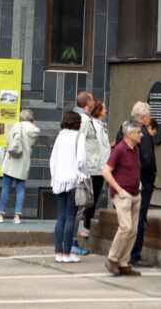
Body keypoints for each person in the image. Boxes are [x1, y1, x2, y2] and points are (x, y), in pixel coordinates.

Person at [115, 101, 155, 268]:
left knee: (126, 221)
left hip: (124, 181)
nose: (151, 118)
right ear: (144, 117)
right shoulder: (141, 132)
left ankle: (122, 254)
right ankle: (134, 255)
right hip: (139, 183)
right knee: (136, 218)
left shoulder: (122, 129)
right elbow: (146, 159)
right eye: (150, 115)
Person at [103, 119, 143, 277]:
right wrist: (119, 190)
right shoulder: (119, 150)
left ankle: (123, 263)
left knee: (133, 230)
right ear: (130, 134)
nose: (142, 135)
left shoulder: (136, 150)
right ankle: (112, 259)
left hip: (135, 194)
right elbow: (106, 172)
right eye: (139, 132)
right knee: (125, 227)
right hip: (123, 195)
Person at [49, 110, 86, 263]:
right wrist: (83, 174)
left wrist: (55, 176)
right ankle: (66, 253)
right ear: (77, 123)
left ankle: (58, 252)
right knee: (71, 217)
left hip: (59, 180)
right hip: (73, 180)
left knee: (61, 217)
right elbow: (82, 160)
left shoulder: (60, 136)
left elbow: (52, 160)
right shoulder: (79, 136)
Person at [0, 109, 40, 224]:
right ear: (31, 118)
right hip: (24, 162)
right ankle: (17, 217)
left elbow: (8, 141)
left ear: (22, 117)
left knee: (6, 188)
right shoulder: (35, 130)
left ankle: (0, 215)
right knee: (20, 189)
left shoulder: (17, 125)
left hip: (12, 161)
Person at [71, 91, 98, 255]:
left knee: (74, 208)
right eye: (93, 99)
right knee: (78, 207)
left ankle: (70, 241)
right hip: (81, 170)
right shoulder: (85, 120)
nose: (94, 102)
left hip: (75, 169)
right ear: (88, 102)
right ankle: (72, 242)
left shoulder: (74, 116)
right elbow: (79, 144)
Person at [79, 99, 110, 240]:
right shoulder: (95, 125)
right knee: (92, 198)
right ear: (98, 111)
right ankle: (85, 228)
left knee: (93, 198)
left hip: (99, 166)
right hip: (96, 168)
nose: (106, 110)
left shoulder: (100, 125)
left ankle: (86, 227)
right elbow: (96, 147)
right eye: (103, 108)